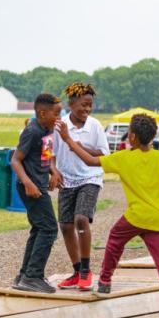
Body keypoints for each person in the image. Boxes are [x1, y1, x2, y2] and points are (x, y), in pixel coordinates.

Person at [57, 113, 159, 318]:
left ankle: (105, 283)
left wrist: (68, 140)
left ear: (133, 136)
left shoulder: (123, 158)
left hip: (136, 217)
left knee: (114, 240)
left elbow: (90, 161)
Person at [52, 82, 110, 291]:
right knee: (66, 226)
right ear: (71, 103)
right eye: (83, 105)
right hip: (67, 179)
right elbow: (52, 155)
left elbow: (103, 154)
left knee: (81, 219)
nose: (87, 109)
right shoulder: (59, 126)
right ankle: (77, 272)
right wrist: (54, 171)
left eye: (90, 105)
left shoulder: (94, 125)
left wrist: (76, 145)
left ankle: (86, 271)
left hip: (90, 178)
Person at [10, 93, 62, 294]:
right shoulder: (31, 131)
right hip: (30, 187)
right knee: (49, 229)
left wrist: (53, 171)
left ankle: (25, 275)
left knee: (39, 228)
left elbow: (47, 157)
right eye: (56, 113)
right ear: (42, 113)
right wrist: (28, 183)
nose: (59, 117)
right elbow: (15, 160)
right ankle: (32, 276)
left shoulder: (48, 131)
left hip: (39, 184)